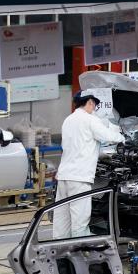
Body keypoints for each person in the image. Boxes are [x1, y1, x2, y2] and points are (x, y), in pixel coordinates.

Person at [54, 90, 125, 239]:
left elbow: (76, 146)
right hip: (79, 178)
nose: (94, 109)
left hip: (64, 177)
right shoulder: (90, 120)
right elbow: (108, 136)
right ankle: (80, 257)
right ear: (90, 102)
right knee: (80, 223)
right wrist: (123, 138)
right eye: (95, 106)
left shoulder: (68, 120)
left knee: (62, 223)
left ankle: (60, 258)